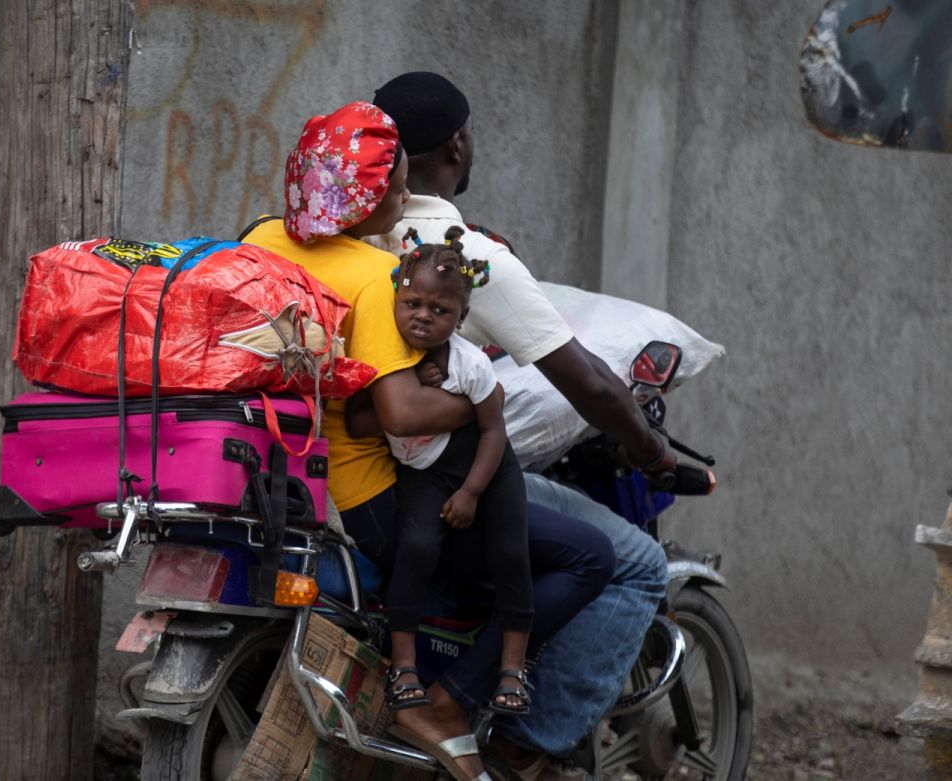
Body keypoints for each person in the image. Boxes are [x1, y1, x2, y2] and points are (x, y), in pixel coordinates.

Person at [243, 100, 615, 781]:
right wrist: (484, 405)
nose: (407, 197)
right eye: (397, 185)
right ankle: (446, 704)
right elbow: (403, 414)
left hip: (286, 470)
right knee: (592, 555)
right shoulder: (373, 277)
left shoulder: (260, 237)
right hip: (373, 499)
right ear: (370, 196)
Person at [372, 71, 674, 776]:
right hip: (431, 471)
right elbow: (593, 384)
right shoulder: (463, 253)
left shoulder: (342, 229)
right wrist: (653, 451)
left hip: (348, 464)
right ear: (457, 143)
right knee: (633, 564)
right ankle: (518, 744)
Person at [346, 226, 532, 717]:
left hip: (485, 466)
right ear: (395, 300)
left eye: (440, 310)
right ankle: (403, 667)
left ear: (462, 317)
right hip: (424, 472)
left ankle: (512, 668)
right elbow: (360, 420)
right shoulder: (389, 361)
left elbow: (494, 431)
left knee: (511, 552)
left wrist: (472, 492)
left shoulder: (471, 366)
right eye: (413, 305)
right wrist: (412, 396)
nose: (423, 317)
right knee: (418, 548)